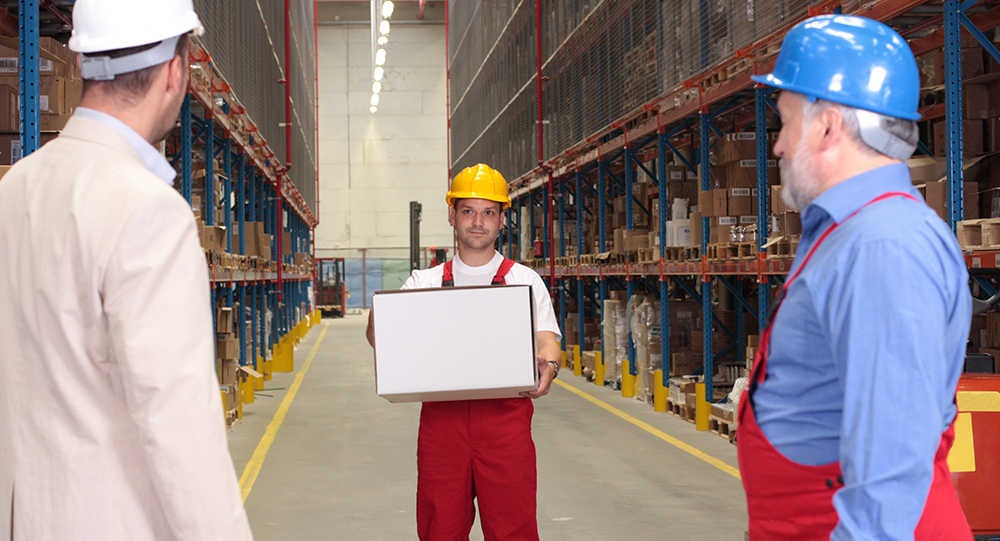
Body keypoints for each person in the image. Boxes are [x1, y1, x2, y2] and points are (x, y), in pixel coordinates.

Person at [0, 1, 253, 539]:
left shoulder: (15, 188)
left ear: (85, 60)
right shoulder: (148, 211)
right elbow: (180, 430)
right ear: (175, 71)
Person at [739, 14, 973, 540]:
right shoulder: (852, 232)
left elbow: (888, 473)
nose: (777, 146)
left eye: (785, 122)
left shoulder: (882, 248)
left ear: (828, 125)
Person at [366, 163, 561, 541]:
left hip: (506, 425)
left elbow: (547, 339)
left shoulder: (525, 279)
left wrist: (549, 364)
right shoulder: (424, 282)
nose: (478, 221)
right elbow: (383, 341)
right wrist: (381, 318)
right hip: (443, 427)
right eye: (468, 211)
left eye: (488, 212)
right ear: (453, 215)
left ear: (502, 219)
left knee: (514, 528)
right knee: (441, 528)